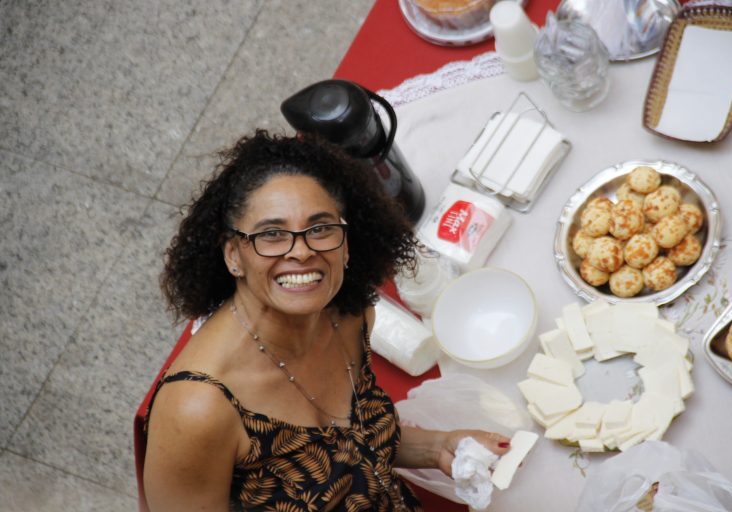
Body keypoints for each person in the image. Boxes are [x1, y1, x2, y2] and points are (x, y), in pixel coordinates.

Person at [143, 130, 511, 511]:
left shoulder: (351, 315)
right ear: (233, 254)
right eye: (273, 234)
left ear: (345, 243)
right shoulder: (197, 408)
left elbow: (353, 445)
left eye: (320, 228)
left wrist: (438, 447)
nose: (302, 251)